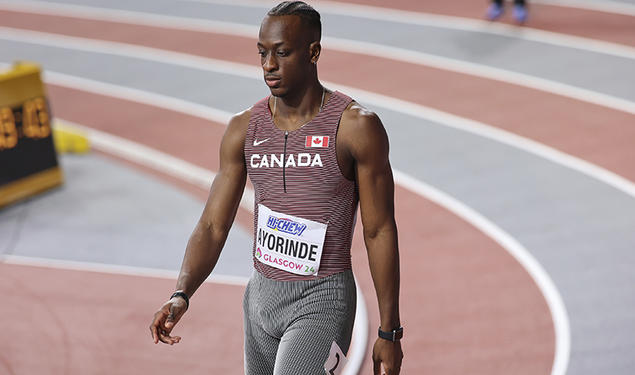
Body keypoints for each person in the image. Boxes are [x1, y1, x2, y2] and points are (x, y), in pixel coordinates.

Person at [149, 1, 403, 374]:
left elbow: (379, 229)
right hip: (259, 303)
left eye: (282, 53)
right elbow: (212, 225)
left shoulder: (355, 128)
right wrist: (181, 294)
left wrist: (389, 331)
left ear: (313, 51)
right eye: (262, 53)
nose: (268, 65)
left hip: (322, 300)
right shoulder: (243, 129)